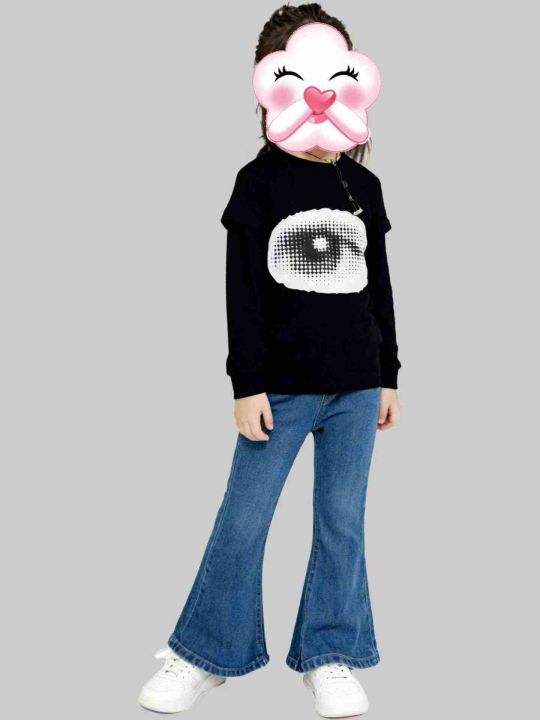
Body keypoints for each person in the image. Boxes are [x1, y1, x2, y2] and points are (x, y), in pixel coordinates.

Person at [139, 4, 401, 717]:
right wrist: (246, 384)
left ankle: (330, 652)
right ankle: (203, 653)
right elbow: (242, 293)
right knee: (244, 520)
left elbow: (378, 287)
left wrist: (389, 375)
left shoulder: (363, 188)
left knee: (342, 522)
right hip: (280, 388)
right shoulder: (258, 183)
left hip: (356, 386)